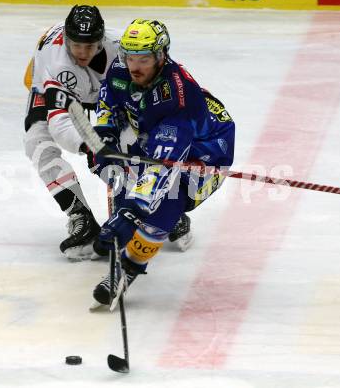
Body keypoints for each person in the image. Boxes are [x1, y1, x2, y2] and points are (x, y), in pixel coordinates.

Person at [89, 18, 235, 305]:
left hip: (207, 151)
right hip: (152, 131)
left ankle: (128, 269)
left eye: (143, 58)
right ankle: (141, 219)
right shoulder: (120, 70)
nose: (134, 66)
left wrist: (130, 212)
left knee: (168, 199)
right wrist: (105, 135)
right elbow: (108, 101)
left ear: (161, 56)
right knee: (118, 168)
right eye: (130, 56)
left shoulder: (179, 97)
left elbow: (159, 168)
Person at [23, 5, 119, 260]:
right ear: (66, 39)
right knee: (36, 141)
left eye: (90, 46)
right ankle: (80, 216)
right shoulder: (55, 62)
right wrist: (90, 145)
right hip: (52, 87)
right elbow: (60, 124)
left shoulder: (120, 50)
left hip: (103, 91)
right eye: (76, 45)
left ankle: (151, 203)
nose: (83, 52)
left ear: (102, 40)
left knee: (127, 139)